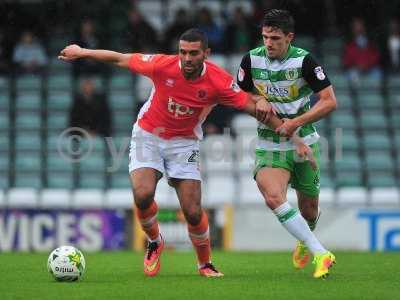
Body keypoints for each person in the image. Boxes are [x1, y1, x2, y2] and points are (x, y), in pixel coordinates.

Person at [58, 28, 314, 278]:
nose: (187, 58)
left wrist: (294, 137)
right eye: (183, 52)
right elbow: (120, 58)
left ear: (206, 54)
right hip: (148, 135)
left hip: (184, 143)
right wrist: (82, 51)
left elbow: (253, 108)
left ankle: (205, 264)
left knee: (192, 211)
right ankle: (155, 241)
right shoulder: (161, 65)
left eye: (193, 53)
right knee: (143, 194)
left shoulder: (218, 80)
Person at [237, 10, 337, 279]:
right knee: (273, 197)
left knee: (309, 210)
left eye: (275, 38)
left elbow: (329, 101)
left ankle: (307, 237)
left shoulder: (305, 61)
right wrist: (257, 99)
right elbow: (241, 94)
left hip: (304, 140)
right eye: (265, 37)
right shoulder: (251, 59)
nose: (268, 43)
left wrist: (296, 122)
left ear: (289, 37)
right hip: (269, 143)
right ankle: (321, 253)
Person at [342, 18, 382, 86]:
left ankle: (374, 93)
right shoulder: (349, 43)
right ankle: (356, 95)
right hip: (356, 69)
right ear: (353, 29)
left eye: (360, 26)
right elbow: (346, 60)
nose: (359, 29)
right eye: (356, 27)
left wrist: (367, 65)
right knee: (350, 75)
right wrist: (357, 66)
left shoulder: (371, 41)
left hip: (371, 68)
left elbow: (376, 56)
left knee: (378, 73)